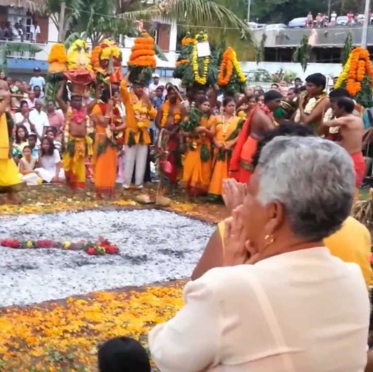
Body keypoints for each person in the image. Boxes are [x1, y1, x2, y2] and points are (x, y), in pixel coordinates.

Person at [150, 136, 369, 371]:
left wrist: (228, 274)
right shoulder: (352, 278)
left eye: (251, 194)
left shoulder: (229, 288)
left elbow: (168, 356)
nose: (241, 205)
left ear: (274, 214)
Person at [192, 122, 372, 287]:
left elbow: (200, 300)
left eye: (253, 192)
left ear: (274, 210)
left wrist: (241, 226)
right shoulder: (358, 233)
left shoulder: (233, 234)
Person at [229, 90, 280, 184]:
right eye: (277, 101)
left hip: (254, 148)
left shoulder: (263, 110)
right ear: (269, 101)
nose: (279, 104)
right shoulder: (261, 115)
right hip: (252, 150)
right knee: (248, 182)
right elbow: (274, 133)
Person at [120, 76, 157, 190]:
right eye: (137, 87)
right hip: (131, 133)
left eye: (142, 87)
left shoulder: (145, 101)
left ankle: (139, 184)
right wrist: (130, 72)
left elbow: (154, 114)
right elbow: (122, 86)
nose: (140, 89)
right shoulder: (128, 99)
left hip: (143, 134)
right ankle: (126, 184)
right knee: (129, 160)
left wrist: (148, 101)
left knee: (142, 160)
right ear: (133, 88)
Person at [321, 97, 366, 189]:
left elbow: (326, 124)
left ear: (342, 108)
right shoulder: (356, 119)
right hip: (353, 157)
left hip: (352, 159)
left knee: (350, 191)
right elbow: (347, 140)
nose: (333, 111)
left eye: (334, 108)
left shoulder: (347, 119)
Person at [56, 82, 92, 190]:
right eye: (76, 100)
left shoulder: (85, 110)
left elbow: (96, 100)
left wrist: (96, 89)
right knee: (68, 165)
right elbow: (58, 98)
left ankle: (78, 187)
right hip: (70, 142)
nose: (78, 102)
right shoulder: (68, 110)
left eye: (80, 100)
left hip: (81, 143)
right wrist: (63, 84)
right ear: (71, 101)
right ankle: (68, 185)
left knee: (79, 166)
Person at [92, 86, 125, 198]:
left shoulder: (116, 109)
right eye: (115, 96)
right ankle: (99, 190)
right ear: (108, 97)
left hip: (112, 140)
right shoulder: (98, 107)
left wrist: (116, 129)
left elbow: (122, 123)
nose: (117, 98)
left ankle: (110, 189)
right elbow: (104, 123)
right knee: (101, 164)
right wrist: (108, 110)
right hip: (102, 139)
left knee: (112, 164)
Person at [181, 97, 217, 196]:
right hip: (193, 145)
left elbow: (212, 134)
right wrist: (194, 132)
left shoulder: (212, 118)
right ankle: (189, 189)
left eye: (208, 105)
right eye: (204, 105)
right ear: (199, 105)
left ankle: (199, 191)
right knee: (190, 166)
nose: (207, 107)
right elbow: (184, 132)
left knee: (204, 168)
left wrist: (204, 130)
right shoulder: (191, 117)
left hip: (205, 147)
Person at [208, 98, 242, 199]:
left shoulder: (238, 120)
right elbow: (212, 134)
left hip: (230, 149)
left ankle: (226, 195)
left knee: (228, 172)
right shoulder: (216, 118)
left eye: (233, 106)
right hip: (218, 148)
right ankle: (215, 193)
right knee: (217, 171)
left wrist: (230, 144)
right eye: (229, 106)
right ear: (224, 107)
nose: (232, 108)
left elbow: (240, 135)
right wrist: (217, 143)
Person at [156, 86, 185, 188]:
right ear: (167, 95)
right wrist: (163, 131)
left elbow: (181, 122)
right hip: (164, 136)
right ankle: (164, 181)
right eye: (170, 93)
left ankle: (173, 182)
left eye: (174, 93)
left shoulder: (181, 107)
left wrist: (172, 132)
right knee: (163, 157)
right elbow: (157, 121)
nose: (173, 95)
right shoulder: (162, 107)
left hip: (175, 136)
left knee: (173, 158)